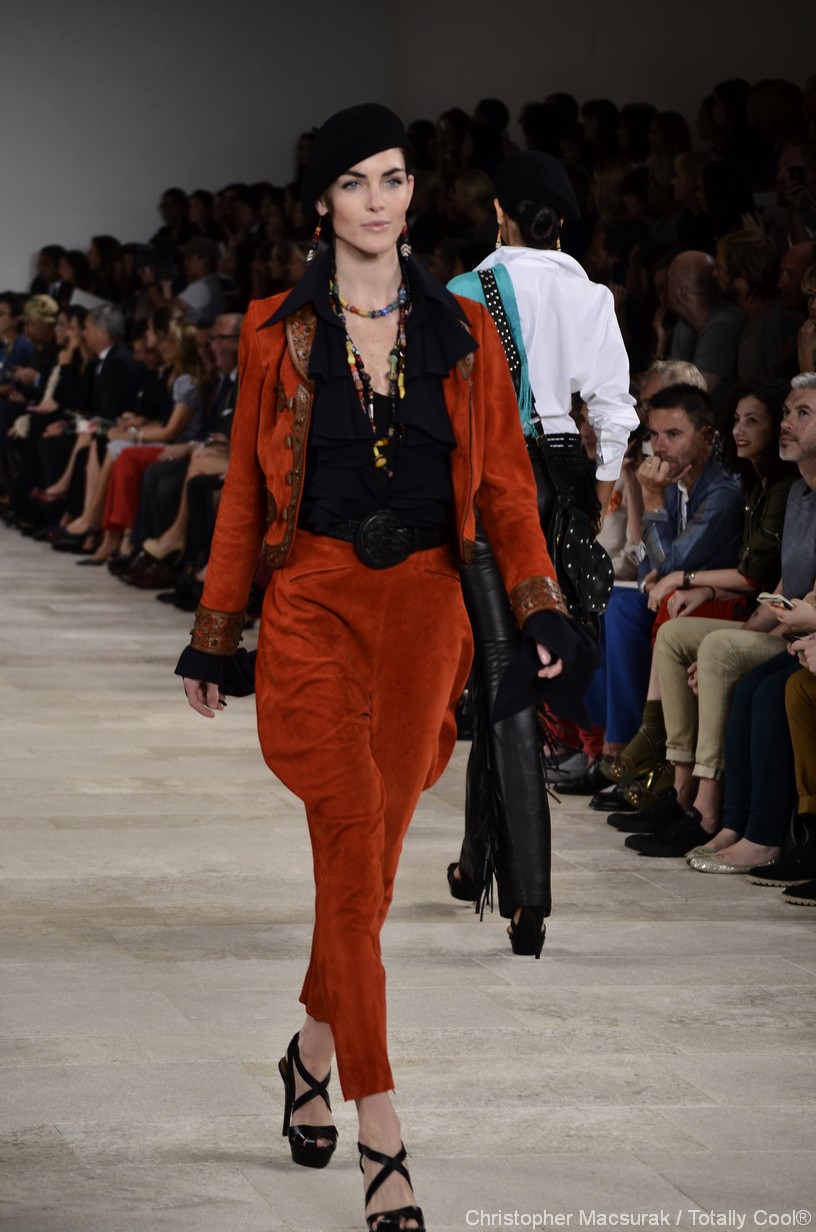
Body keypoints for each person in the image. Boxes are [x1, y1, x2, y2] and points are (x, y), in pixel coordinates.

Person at [175, 104, 589, 1232]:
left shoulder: (466, 328)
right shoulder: (274, 329)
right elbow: (245, 492)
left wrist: (541, 601)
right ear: (323, 200)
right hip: (312, 602)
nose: (377, 199)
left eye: (394, 178)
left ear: (414, 193)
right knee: (354, 833)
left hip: (425, 614)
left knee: (365, 870)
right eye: (355, 181)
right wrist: (217, 631)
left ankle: (310, 1052)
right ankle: (382, 1128)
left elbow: (503, 484)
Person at [443, 149, 636, 942]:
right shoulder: (590, 295)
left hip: (491, 482)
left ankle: (529, 891)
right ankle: (475, 860)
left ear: (500, 214)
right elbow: (614, 407)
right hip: (566, 483)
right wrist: (598, 496)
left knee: (501, 664)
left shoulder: (464, 293)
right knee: (508, 664)